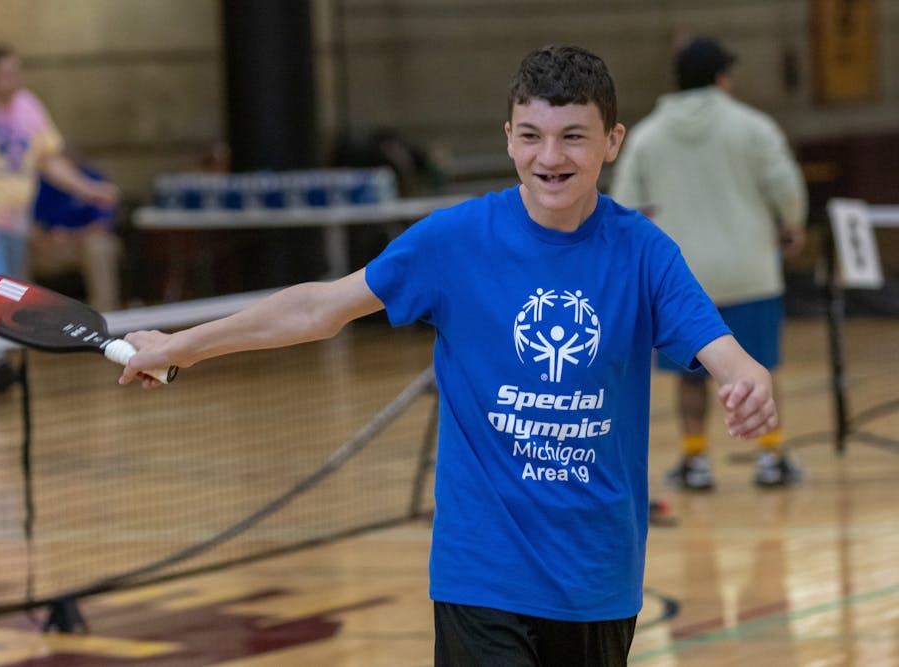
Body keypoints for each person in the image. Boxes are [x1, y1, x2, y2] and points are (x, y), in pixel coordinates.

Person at [118, 46, 778, 666]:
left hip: (597, 578)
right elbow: (317, 308)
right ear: (509, 137)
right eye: (531, 135)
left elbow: (721, 349)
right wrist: (182, 346)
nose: (550, 156)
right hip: (482, 574)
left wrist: (748, 379)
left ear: (612, 141)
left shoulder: (644, 252)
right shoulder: (454, 241)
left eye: (574, 136)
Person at [610, 36, 808, 490]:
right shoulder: (753, 127)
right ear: (721, 78)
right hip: (750, 271)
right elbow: (785, 185)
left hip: (678, 281)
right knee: (758, 368)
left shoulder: (646, 137)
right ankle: (771, 455)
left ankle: (696, 459)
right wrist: (792, 225)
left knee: (689, 377)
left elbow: (624, 205)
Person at [0, 44, 118, 391]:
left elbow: (48, 160)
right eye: (5, 74)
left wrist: (87, 188)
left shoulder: (28, 107)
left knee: (11, 289)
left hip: (15, 219)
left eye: (16, 72)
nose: (14, 79)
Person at [30, 157, 123, 313]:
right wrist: (49, 237)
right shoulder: (42, 182)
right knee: (21, 244)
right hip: (51, 247)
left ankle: (105, 312)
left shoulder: (93, 178)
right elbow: (33, 223)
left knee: (98, 246)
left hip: (82, 244)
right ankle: (24, 313)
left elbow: (103, 223)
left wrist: (72, 235)